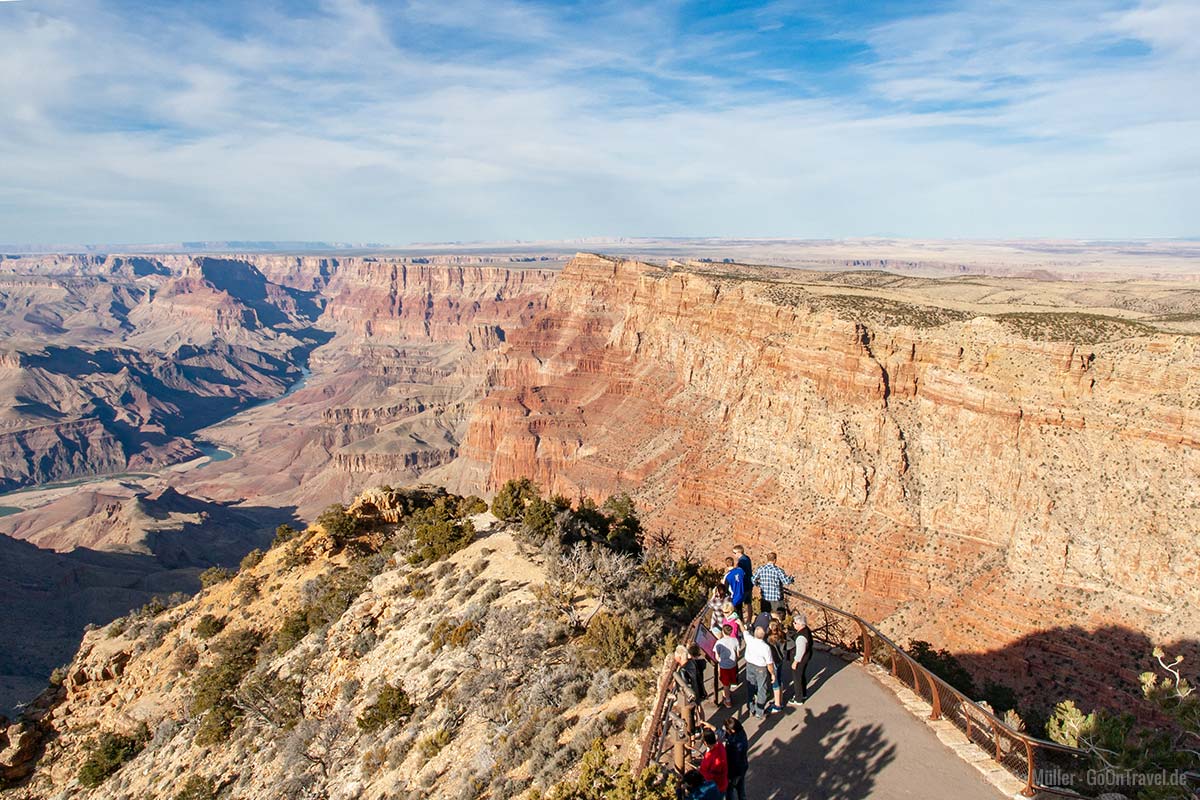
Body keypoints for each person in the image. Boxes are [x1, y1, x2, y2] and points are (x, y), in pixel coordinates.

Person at [743, 625, 775, 718]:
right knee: (762, 689)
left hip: (749, 665)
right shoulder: (765, 647)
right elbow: (769, 663)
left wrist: (740, 622)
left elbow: (744, 631)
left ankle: (751, 708)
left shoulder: (750, 640)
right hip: (761, 668)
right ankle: (759, 711)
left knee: (750, 687)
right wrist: (772, 674)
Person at [713, 623, 741, 707]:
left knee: (725, 683)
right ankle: (729, 692)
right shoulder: (735, 640)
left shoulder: (719, 642)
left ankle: (728, 701)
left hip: (724, 666)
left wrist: (720, 661)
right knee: (731, 680)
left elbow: (716, 656)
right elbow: (738, 653)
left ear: (722, 632)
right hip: (732, 664)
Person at [789, 613, 814, 706]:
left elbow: (800, 652)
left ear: (800, 624)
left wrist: (795, 662)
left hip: (801, 660)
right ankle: (803, 693)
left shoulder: (801, 638)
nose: (793, 624)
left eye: (795, 623)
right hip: (806, 657)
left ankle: (798, 698)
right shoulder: (806, 631)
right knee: (801, 676)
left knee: (797, 678)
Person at [722, 717, 749, 800]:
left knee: (730, 790)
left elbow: (734, 760)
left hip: (734, 770)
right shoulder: (741, 733)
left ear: (732, 730)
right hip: (742, 766)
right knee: (741, 788)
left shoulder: (735, 742)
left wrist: (731, 775)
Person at [766, 621, 787, 713]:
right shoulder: (782, 635)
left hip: (773, 661)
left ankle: (777, 705)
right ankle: (780, 700)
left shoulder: (769, 638)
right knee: (779, 678)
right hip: (780, 659)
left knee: (775, 682)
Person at [732, 545, 752, 617]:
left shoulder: (741, 562)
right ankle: (749, 620)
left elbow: (740, 575)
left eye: (734, 553)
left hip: (744, 586)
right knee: (749, 603)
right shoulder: (747, 558)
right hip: (749, 584)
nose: (733, 554)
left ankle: (739, 620)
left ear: (739, 552)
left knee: (737, 604)